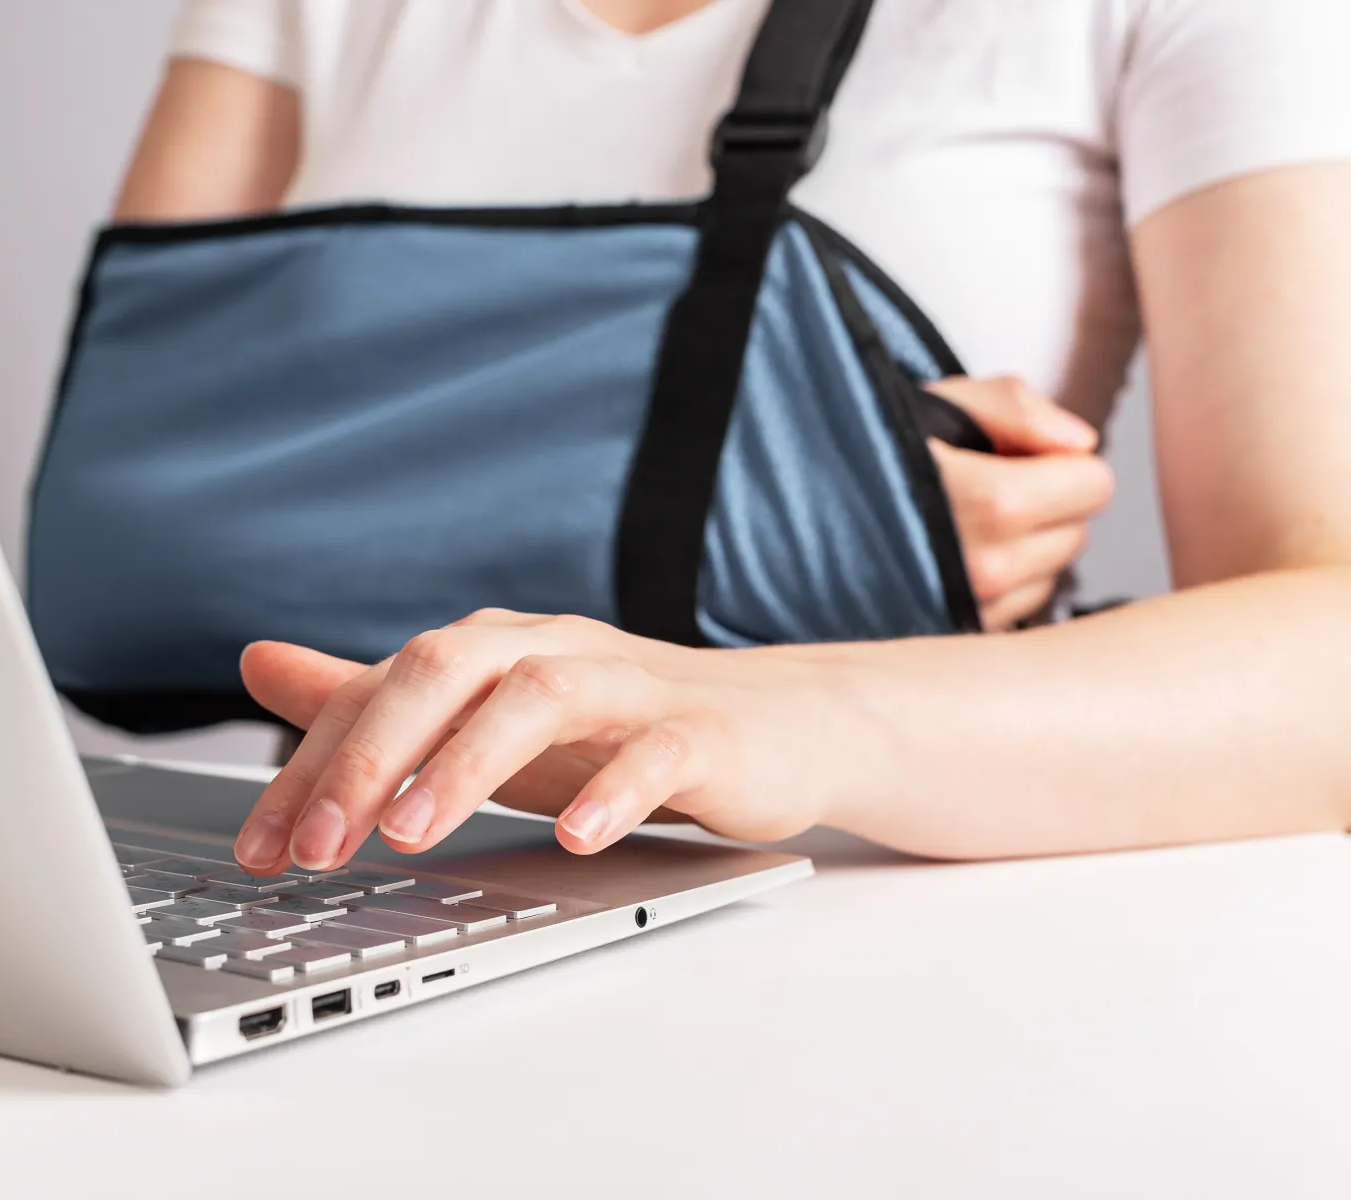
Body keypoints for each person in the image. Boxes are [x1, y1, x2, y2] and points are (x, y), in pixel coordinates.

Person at [112, 0, 1351, 873]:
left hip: (877, 922)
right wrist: (780, 503)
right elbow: (128, 528)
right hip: (362, 885)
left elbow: (1327, 662)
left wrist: (784, 706)